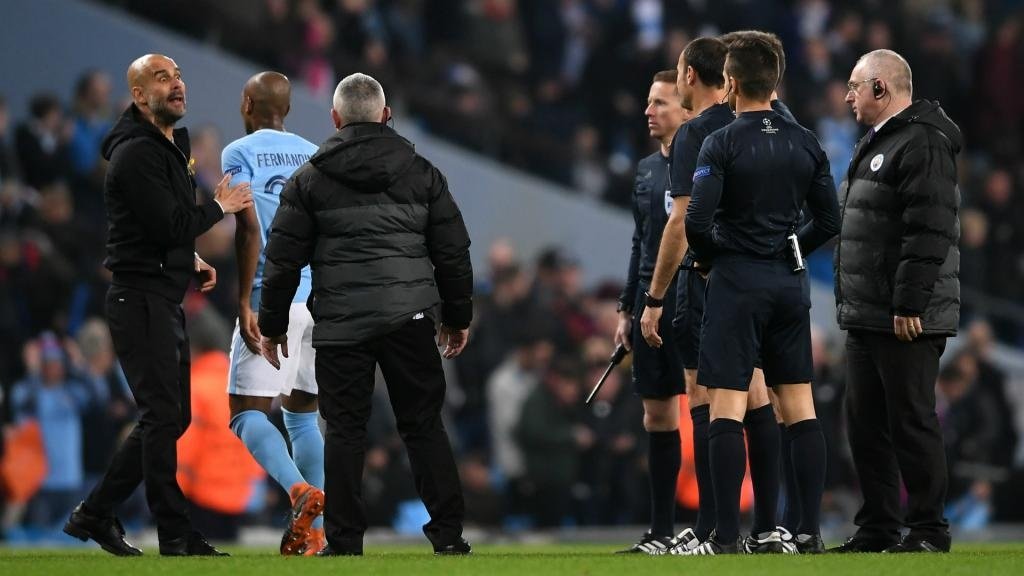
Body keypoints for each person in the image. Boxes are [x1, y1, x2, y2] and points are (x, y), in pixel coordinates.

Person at [258, 72, 473, 556]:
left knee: (346, 432)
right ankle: (448, 536)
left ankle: (345, 541)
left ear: (335, 118)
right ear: (386, 115)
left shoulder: (309, 179)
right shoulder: (422, 172)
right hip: (410, 317)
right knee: (423, 425)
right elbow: (453, 252)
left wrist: (271, 326)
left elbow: (283, 259)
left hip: (340, 323)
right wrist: (456, 316)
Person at [63, 53, 252, 557]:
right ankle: (173, 532)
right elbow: (169, 223)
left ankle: (95, 512)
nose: (177, 85)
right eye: (162, 78)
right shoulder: (137, 154)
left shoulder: (165, 147)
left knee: (169, 418)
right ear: (139, 96)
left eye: (179, 76)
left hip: (158, 295)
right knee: (163, 417)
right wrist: (219, 208)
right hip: (139, 298)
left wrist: (188, 258)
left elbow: (153, 228)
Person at [682, 35, 840, 555]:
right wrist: (792, 246)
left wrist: (714, 256)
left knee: (727, 407)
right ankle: (806, 533)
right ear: (775, 82)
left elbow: (697, 222)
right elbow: (830, 219)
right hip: (790, 285)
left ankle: (726, 538)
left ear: (729, 83)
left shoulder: (720, 142)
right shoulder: (806, 141)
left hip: (737, 283)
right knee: (799, 407)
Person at [641, 36, 783, 555]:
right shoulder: (770, 124)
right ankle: (771, 526)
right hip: (768, 278)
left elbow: (681, 222)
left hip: (710, 279)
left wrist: (653, 298)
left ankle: (711, 529)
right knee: (761, 395)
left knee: (707, 398)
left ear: (690, 76)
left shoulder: (697, 133)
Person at [832, 49, 961, 554]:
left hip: (904, 313)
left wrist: (909, 302)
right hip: (868, 311)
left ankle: (928, 529)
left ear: (880, 88)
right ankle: (878, 527)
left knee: (910, 418)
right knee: (864, 424)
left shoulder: (923, 141)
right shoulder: (881, 141)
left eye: (855, 86)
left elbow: (928, 227)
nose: (847, 96)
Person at [221, 71, 326, 556]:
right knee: (303, 415)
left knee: (246, 414)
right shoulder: (315, 153)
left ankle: (299, 491)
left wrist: (246, 301)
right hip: (320, 299)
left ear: (247, 103)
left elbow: (248, 229)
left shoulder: (237, 153)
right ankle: (318, 531)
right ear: (287, 108)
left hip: (274, 296)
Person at [613, 69, 689, 554]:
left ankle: (711, 529)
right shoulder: (644, 170)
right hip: (648, 309)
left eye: (661, 103)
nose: (649, 111)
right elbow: (641, 244)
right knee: (657, 417)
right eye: (648, 102)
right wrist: (627, 307)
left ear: (687, 110)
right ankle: (661, 531)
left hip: (695, 302)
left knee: (709, 411)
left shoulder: (707, 162)